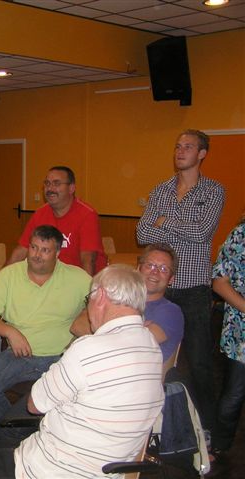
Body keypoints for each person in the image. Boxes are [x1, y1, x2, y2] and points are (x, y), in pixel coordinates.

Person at [0, 264, 164, 479]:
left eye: (89, 298)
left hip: (51, 468)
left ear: (100, 296)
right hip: (104, 465)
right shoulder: (151, 347)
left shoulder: (89, 349)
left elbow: (35, 404)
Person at [136, 129, 225, 436]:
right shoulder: (161, 190)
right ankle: (154, 426)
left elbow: (203, 233)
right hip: (159, 291)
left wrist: (164, 222)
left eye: (188, 146)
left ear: (202, 154)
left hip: (193, 290)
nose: (180, 151)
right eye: (177, 146)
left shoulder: (213, 191)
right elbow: (142, 233)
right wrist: (175, 226)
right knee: (151, 356)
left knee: (199, 365)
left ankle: (208, 432)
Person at [0, 225, 90, 425]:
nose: (37, 255)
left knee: (91, 389)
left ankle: (22, 432)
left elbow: (101, 310)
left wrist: (84, 321)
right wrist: (10, 332)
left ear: (57, 253)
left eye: (45, 250)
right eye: (33, 247)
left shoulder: (78, 278)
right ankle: (12, 431)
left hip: (64, 357)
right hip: (20, 356)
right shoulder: (9, 276)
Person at [71, 243, 184, 372]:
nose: (155, 272)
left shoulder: (171, 312)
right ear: (138, 268)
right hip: (89, 367)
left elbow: (132, 345)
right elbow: (77, 326)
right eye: (150, 265)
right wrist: (127, 332)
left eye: (164, 269)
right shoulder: (117, 296)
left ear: (171, 279)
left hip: (129, 377)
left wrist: (103, 327)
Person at [7, 166, 106, 275]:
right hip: (51, 278)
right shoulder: (40, 214)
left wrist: (86, 285)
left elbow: (88, 260)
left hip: (79, 278)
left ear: (71, 188)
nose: (50, 189)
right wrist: (0, 280)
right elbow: (21, 251)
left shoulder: (87, 215)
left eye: (57, 183)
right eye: (47, 183)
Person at [211, 212, 245, 456]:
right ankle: (219, 446)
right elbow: (219, 283)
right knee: (234, 394)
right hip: (242, 331)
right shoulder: (241, 234)